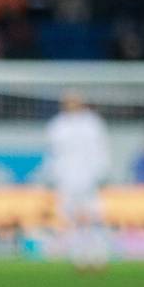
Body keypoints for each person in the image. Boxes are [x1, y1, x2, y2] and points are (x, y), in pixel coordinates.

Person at [45, 90, 111, 271]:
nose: (71, 104)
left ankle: (99, 255)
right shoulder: (57, 125)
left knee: (94, 217)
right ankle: (79, 257)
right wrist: (53, 176)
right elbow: (53, 153)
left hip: (89, 178)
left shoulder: (92, 124)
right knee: (71, 219)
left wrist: (102, 172)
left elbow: (101, 149)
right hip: (66, 180)